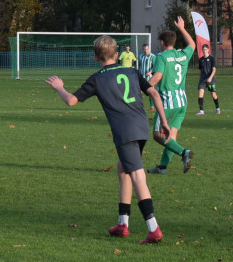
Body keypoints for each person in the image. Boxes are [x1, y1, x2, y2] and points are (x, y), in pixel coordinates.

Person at [46, 36, 171, 244]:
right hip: (141, 128)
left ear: (95, 57)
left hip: (125, 132)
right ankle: (122, 224)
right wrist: (164, 122)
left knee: (137, 175)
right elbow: (154, 95)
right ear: (117, 55)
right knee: (123, 169)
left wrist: (59, 87)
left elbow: (71, 101)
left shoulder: (97, 78)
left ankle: (153, 228)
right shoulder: (132, 71)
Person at [147, 17, 196, 175]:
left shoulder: (161, 57)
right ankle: (162, 167)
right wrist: (182, 28)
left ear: (162, 43)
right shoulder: (182, 54)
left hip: (168, 102)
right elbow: (193, 45)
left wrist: (142, 87)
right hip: (182, 101)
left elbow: (157, 77)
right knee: (171, 135)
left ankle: (184, 153)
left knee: (157, 135)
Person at [197, 44, 221, 115]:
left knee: (213, 94)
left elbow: (214, 69)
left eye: (205, 49)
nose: (204, 51)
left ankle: (217, 108)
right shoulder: (201, 60)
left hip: (211, 80)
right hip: (203, 80)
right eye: (203, 49)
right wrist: (201, 78)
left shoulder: (212, 58)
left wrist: (210, 78)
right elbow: (201, 70)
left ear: (208, 50)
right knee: (200, 93)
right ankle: (201, 111)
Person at [137, 43, 156, 110]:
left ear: (149, 49)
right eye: (144, 49)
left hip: (150, 77)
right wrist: (138, 73)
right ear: (142, 49)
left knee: (150, 92)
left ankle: (152, 106)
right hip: (142, 77)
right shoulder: (141, 56)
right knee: (139, 91)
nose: (145, 51)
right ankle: (139, 105)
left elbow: (155, 66)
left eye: (147, 49)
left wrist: (150, 72)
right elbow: (139, 66)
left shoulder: (152, 56)